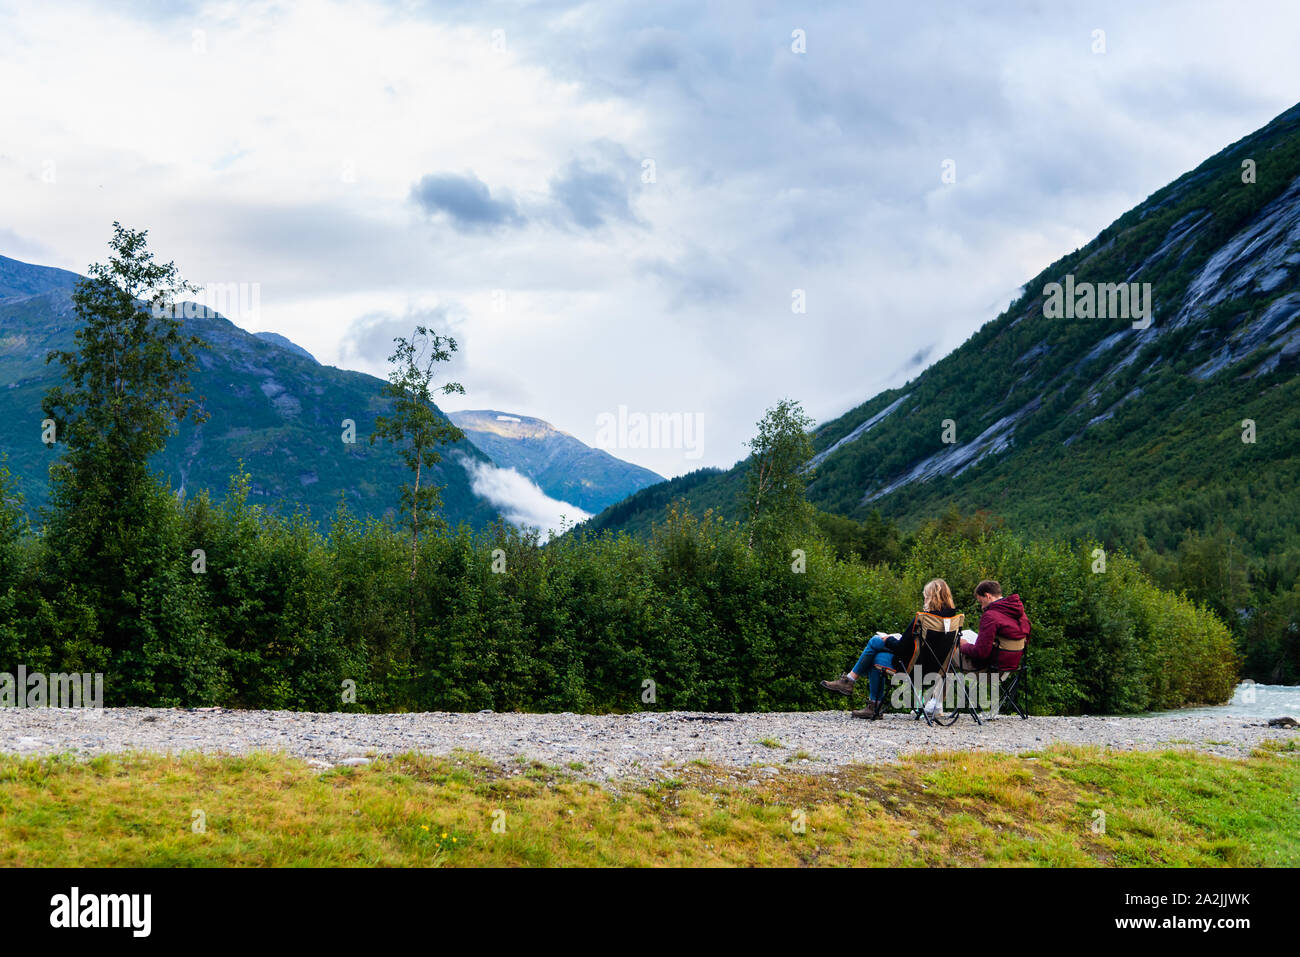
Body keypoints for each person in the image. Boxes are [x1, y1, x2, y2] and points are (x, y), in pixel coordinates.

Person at [819, 579, 961, 720]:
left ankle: (855, 687)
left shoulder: (924, 619)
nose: (924, 599)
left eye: (925, 596)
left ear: (931, 597)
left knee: (875, 646)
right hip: (936, 671)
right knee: (875, 653)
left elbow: (900, 648)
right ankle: (855, 687)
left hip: (911, 668)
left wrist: (888, 639)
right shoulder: (954, 620)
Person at [951, 580, 1030, 673]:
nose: (982, 607)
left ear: (988, 596)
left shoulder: (991, 616)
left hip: (990, 668)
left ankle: (943, 685)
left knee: (947, 650)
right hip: (1011, 668)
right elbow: (1025, 641)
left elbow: (980, 653)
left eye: (981, 602)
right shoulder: (1021, 614)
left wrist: (964, 645)